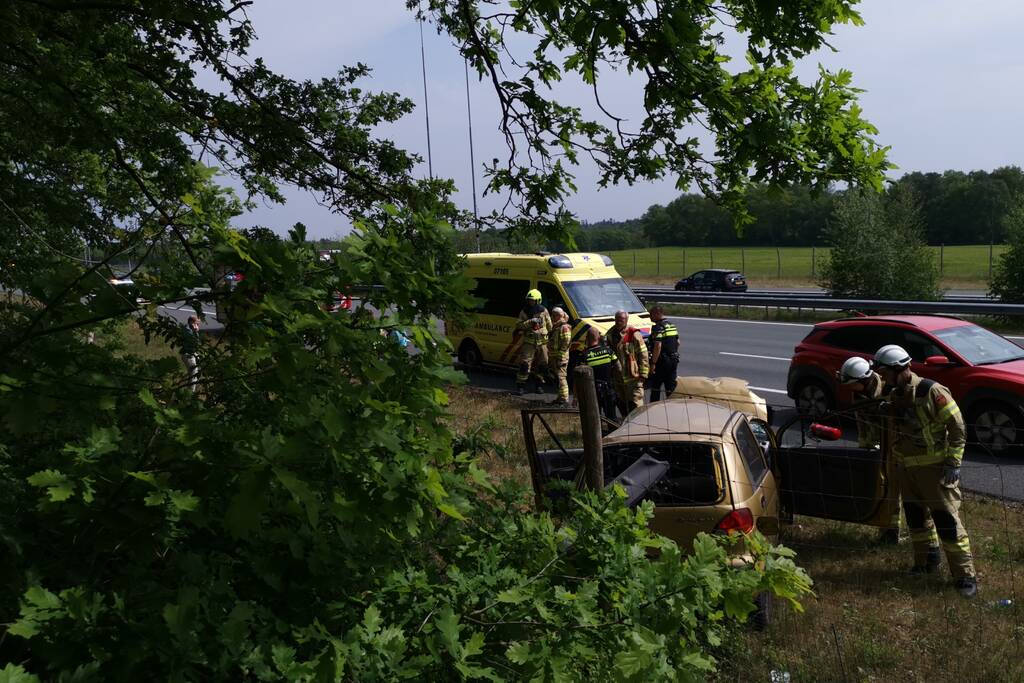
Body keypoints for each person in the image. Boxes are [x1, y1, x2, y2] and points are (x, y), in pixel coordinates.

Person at [874, 344, 978, 598]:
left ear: (901, 369)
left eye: (885, 373)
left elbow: (958, 428)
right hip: (907, 471)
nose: (883, 379)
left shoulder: (932, 391)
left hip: (935, 472)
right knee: (917, 521)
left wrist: (953, 463)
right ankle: (926, 562)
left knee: (947, 524)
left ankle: (965, 577)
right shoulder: (895, 394)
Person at [838, 356, 909, 545]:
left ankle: (893, 532)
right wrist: (865, 448)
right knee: (882, 488)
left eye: (852, 384)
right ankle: (886, 529)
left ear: (864, 380)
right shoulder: (859, 394)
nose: (849, 389)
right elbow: (862, 423)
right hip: (878, 447)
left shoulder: (889, 389)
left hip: (897, 446)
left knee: (895, 490)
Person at [607, 309, 648, 416]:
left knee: (636, 401)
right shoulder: (610, 334)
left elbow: (643, 354)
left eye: (621, 319)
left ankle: (639, 424)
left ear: (626, 320)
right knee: (621, 402)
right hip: (617, 376)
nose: (619, 321)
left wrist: (643, 374)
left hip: (633, 376)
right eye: (617, 319)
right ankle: (626, 424)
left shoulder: (634, 334)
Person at [514, 289, 552, 395]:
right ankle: (521, 386)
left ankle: (539, 386)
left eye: (533, 300)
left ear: (538, 300)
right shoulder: (524, 311)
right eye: (529, 300)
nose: (530, 302)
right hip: (529, 343)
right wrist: (530, 322)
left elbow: (549, 326)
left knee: (542, 365)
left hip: (542, 343)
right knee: (525, 364)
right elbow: (518, 325)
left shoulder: (544, 311)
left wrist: (544, 332)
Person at [581, 327, 619, 420]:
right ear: (598, 338)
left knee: (595, 416)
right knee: (611, 416)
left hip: (593, 390)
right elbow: (619, 368)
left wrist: (575, 396)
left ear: (587, 338)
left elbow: (579, 376)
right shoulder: (608, 351)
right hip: (608, 388)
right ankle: (613, 431)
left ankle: (599, 434)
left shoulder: (585, 355)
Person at [646, 306, 679, 402]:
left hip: (662, 362)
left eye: (651, 315)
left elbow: (658, 346)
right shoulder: (672, 325)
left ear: (657, 313)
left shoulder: (658, 327)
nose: (650, 317)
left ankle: (653, 410)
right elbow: (678, 342)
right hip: (673, 360)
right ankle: (671, 408)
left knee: (656, 387)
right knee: (670, 388)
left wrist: (653, 363)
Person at [547, 307, 572, 405]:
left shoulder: (564, 327)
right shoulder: (557, 326)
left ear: (558, 315)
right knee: (558, 377)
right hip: (555, 356)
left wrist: (560, 355)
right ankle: (560, 397)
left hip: (560, 357)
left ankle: (564, 399)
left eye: (553, 315)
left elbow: (567, 341)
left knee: (561, 378)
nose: (552, 317)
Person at [182, 315, 201, 393]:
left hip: (193, 354)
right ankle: (190, 393)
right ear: (192, 322)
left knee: (194, 373)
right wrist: (196, 331)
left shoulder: (190, 330)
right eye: (197, 323)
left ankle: (188, 391)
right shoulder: (188, 331)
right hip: (188, 355)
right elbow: (195, 343)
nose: (198, 325)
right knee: (193, 374)